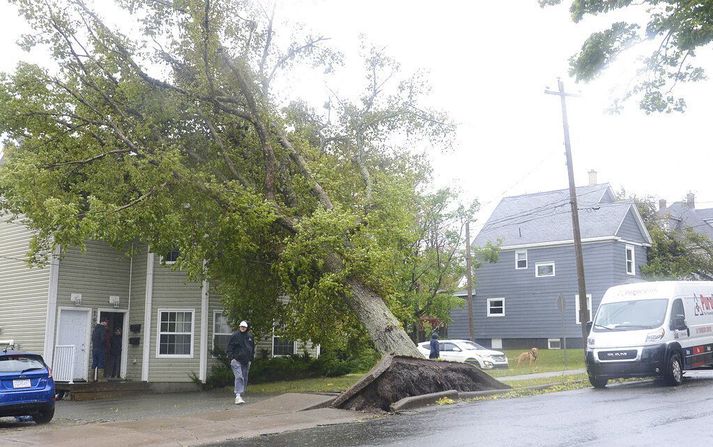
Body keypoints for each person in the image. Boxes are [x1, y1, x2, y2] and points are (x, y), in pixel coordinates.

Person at [226, 320, 255, 405]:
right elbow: (229, 348)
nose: (242, 328)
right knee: (239, 377)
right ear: (239, 327)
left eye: (244, 327)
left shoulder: (250, 337)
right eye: (241, 326)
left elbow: (252, 348)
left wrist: (250, 359)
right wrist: (231, 359)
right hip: (236, 361)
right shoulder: (235, 336)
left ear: (247, 328)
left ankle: (240, 394)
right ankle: (237, 396)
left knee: (244, 377)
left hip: (246, 361)